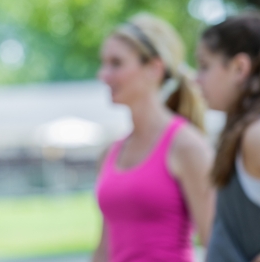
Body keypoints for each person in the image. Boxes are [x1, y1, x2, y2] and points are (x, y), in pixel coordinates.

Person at [92, 14, 215, 262]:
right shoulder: (110, 153)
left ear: (154, 68)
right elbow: (104, 250)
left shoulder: (186, 147)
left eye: (116, 63)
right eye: (103, 63)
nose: (103, 75)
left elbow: (215, 243)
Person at [195, 14, 260, 262]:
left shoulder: (255, 136)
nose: (196, 79)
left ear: (239, 68)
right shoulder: (242, 133)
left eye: (204, 66)